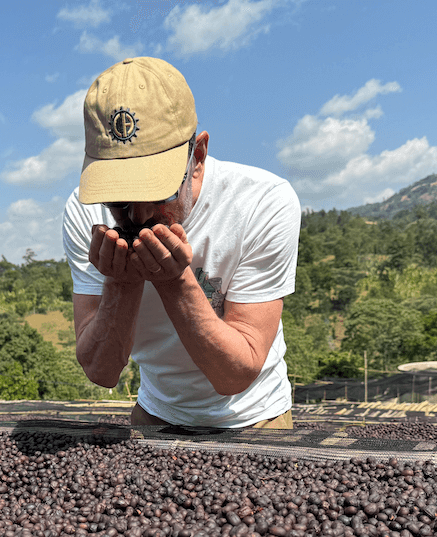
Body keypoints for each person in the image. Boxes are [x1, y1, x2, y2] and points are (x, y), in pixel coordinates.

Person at [63, 57, 300, 429]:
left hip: (254, 418)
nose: (138, 218)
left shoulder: (264, 201)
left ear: (198, 157)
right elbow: (102, 371)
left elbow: (234, 376)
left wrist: (174, 280)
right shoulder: (83, 212)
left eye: (156, 191)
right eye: (118, 197)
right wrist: (121, 283)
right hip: (156, 413)